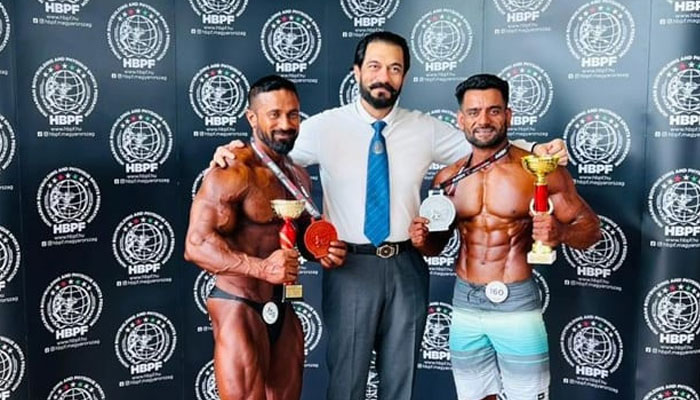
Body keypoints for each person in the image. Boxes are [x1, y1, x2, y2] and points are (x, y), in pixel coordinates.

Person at [211, 32, 569, 400]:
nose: (384, 76)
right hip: (349, 267)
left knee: (400, 384)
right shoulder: (322, 127)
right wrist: (231, 152)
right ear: (357, 71)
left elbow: (487, 143)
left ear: (404, 76)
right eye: (375, 66)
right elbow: (269, 154)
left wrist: (537, 148)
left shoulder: (425, 128)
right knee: (347, 384)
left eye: (395, 68)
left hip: (406, 266)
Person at [409, 74, 601, 400]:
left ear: (508, 115)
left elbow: (591, 230)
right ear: (461, 119)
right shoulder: (447, 179)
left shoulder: (538, 172)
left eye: (494, 111)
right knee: (474, 396)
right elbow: (435, 247)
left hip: (515, 302)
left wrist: (561, 232)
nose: (483, 120)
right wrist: (423, 239)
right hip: (465, 302)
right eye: (474, 112)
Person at [184, 75, 347, 400]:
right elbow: (195, 245)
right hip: (238, 305)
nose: (286, 124)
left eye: (293, 114)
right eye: (274, 114)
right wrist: (261, 268)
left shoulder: (297, 175)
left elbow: (297, 236)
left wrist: (322, 250)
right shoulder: (232, 171)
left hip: (282, 305)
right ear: (252, 118)